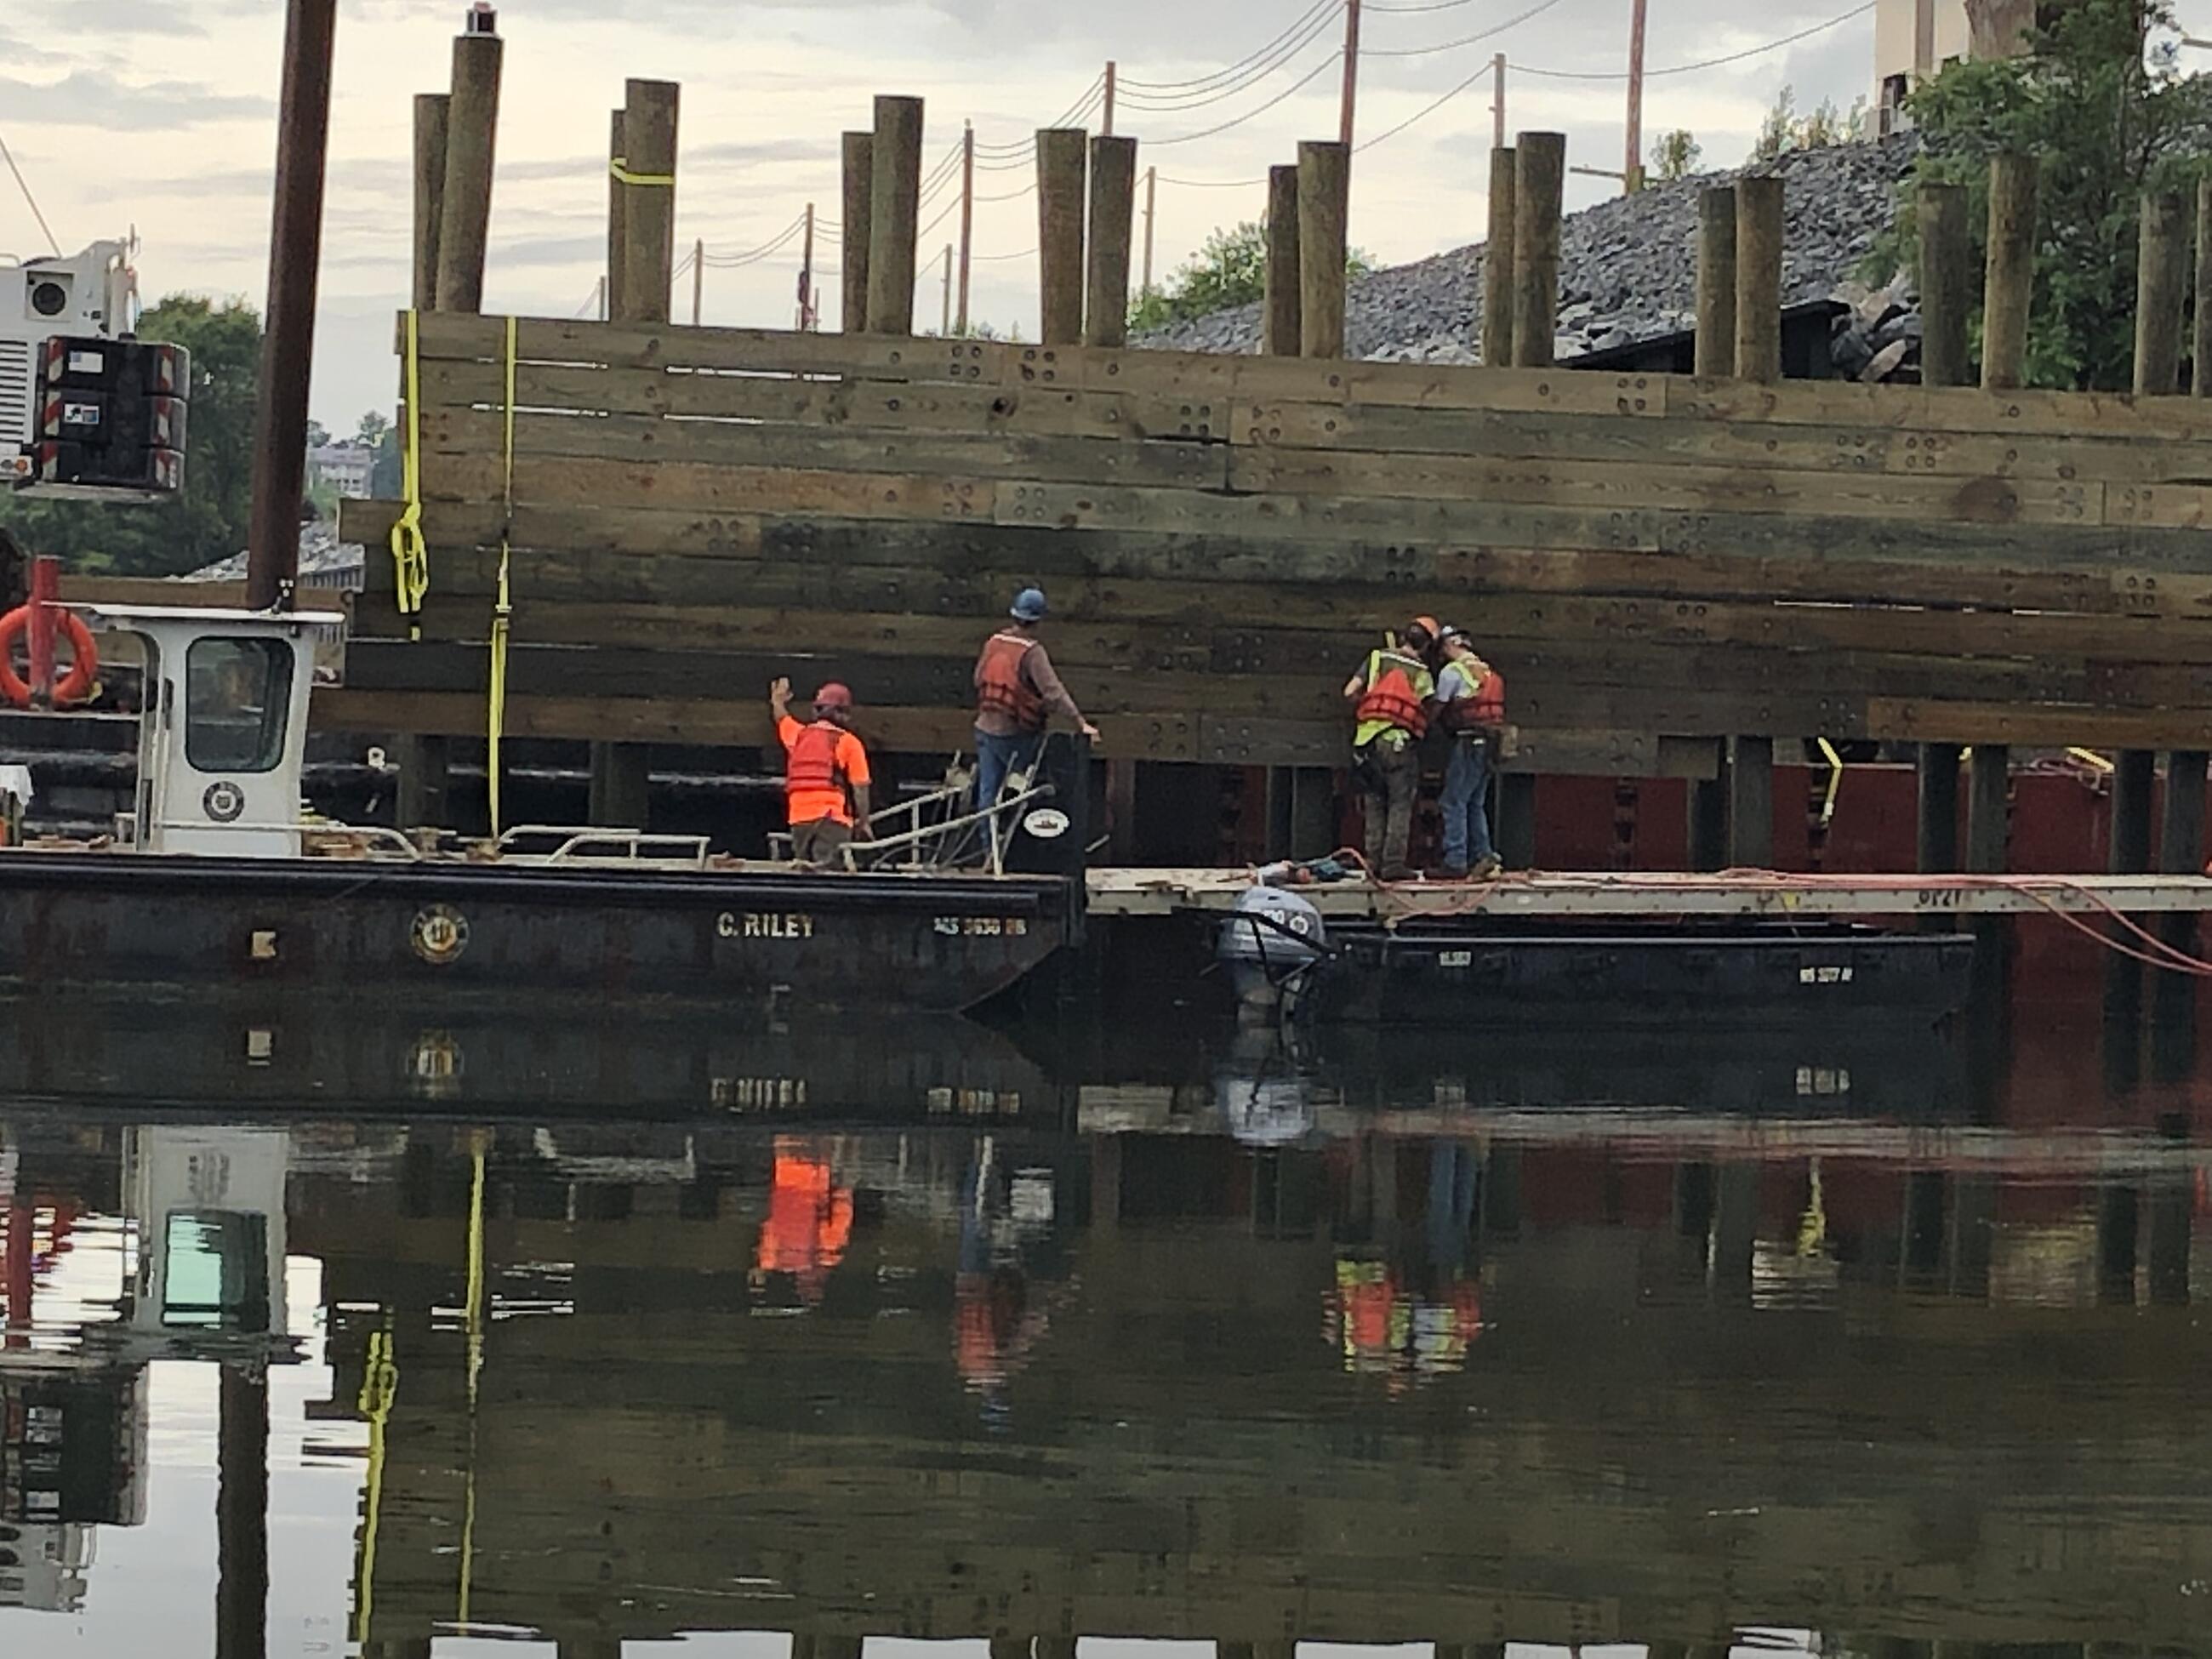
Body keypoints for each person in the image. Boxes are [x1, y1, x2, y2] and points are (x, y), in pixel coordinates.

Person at [972, 586, 1100, 817]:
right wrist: (1080, 722)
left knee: (987, 795)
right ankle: (1020, 844)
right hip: (1015, 735)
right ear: (1038, 621)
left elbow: (978, 678)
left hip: (984, 729)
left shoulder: (993, 642)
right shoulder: (1032, 652)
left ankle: (988, 846)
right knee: (1025, 789)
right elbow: (1053, 692)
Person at [1343, 617, 1438, 881]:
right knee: (1399, 803)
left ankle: (1372, 861)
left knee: (1374, 802)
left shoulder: (1376, 658)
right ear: (1427, 646)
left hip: (1366, 742)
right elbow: (1431, 707)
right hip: (1397, 742)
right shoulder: (1421, 672)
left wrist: (1371, 710)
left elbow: (1350, 691)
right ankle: (1393, 864)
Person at [770, 676, 872, 867]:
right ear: (842, 714)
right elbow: (860, 788)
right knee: (828, 874)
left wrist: (777, 701)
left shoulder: (799, 735)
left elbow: (782, 719)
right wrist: (863, 822)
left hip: (798, 818)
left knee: (803, 874)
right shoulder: (849, 742)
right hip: (830, 819)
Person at [1434, 626, 1505, 881]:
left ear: (1449, 645)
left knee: (1453, 801)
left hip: (1468, 741)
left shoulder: (1452, 673)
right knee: (1474, 801)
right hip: (1491, 744)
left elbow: (1437, 709)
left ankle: (1455, 860)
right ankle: (1483, 856)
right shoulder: (1487, 671)